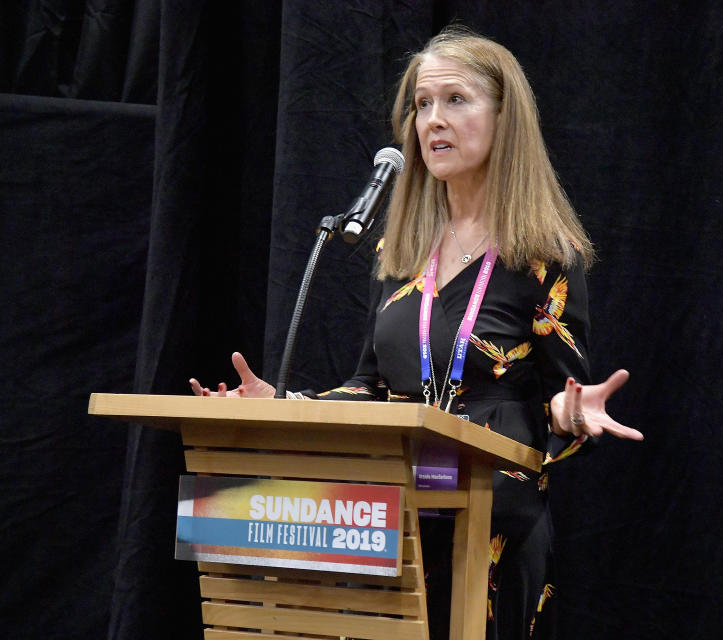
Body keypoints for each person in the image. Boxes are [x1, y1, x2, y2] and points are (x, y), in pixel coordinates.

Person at [189, 26, 642, 640]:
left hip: (492, 534)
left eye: (455, 100)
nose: (433, 120)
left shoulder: (544, 256)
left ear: (505, 118)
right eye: (422, 105)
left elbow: (565, 395)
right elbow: (371, 385)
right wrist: (285, 404)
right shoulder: (399, 254)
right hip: (390, 528)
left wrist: (569, 409)